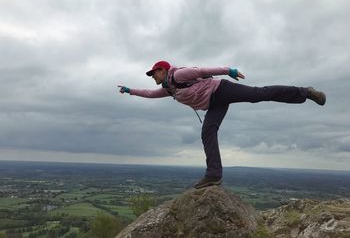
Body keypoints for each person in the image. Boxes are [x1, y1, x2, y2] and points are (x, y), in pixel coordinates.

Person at [118, 61, 326, 189]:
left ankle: (305, 92)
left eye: (153, 72)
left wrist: (229, 70)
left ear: (162, 70)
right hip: (213, 104)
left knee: (258, 94)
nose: (152, 76)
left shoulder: (178, 75)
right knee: (208, 132)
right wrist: (129, 90)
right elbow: (149, 93)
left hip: (221, 90)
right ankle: (214, 175)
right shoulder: (169, 88)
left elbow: (202, 69)